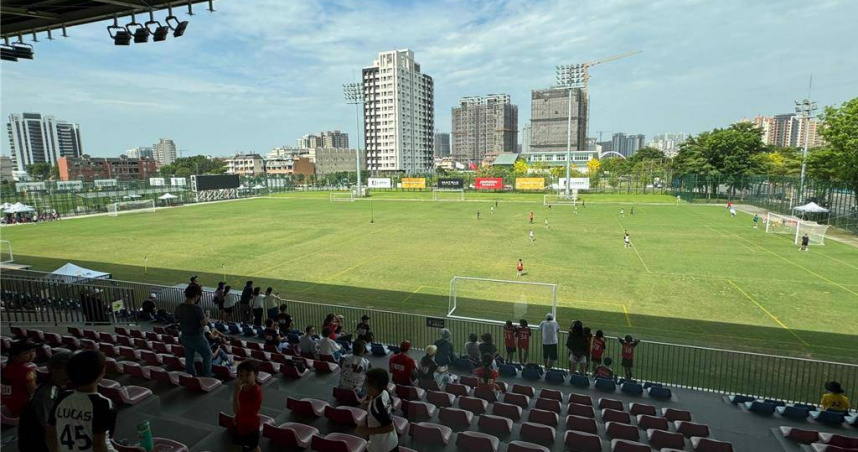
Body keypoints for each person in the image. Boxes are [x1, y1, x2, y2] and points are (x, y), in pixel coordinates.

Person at [46, 350, 117, 452]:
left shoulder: (62, 397)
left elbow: (50, 435)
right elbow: (99, 444)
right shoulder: (103, 403)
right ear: (102, 372)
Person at [18, 351, 72, 452]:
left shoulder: (56, 387)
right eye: (70, 370)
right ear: (55, 370)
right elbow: (51, 434)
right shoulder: (46, 395)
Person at [175, 284, 212, 377]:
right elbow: (203, 323)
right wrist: (207, 316)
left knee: (189, 358)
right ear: (196, 295)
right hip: (197, 337)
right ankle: (207, 377)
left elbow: (176, 320)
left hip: (185, 336)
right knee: (207, 355)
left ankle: (190, 376)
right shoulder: (197, 308)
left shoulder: (179, 307)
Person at [358, 368, 399, 452]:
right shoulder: (384, 392)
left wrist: (367, 430)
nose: (364, 386)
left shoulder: (377, 406)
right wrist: (369, 402)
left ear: (372, 389)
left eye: (366, 384)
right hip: (391, 442)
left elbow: (389, 427)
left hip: (382, 447)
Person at [1, 340, 39, 417]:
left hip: (7, 405)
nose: (32, 355)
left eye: (33, 351)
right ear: (15, 357)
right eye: (26, 353)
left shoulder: (8, 367)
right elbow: (33, 392)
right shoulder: (28, 371)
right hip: (21, 408)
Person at [233, 360, 263, 452]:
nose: (244, 378)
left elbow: (238, 410)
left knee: (254, 447)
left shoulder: (256, 392)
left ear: (256, 374)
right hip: (240, 424)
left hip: (250, 427)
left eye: (248, 375)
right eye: (241, 375)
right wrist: (237, 417)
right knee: (240, 445)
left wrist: (236, 393)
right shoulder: (242, 389)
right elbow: (238, 409)